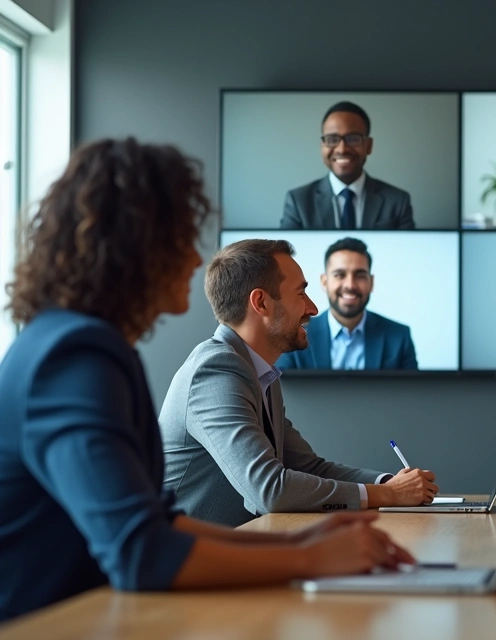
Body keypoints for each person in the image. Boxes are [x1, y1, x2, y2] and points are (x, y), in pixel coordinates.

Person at [0, 138, 413, 623]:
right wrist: (311, 559)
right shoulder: (74, 356)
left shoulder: (90, 346)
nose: (197, 263)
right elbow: (140, 551)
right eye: (181, 239)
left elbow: (159, 524)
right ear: (135, 248)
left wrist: (309, 539)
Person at [160, 239, 438, 527]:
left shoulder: (259, 372)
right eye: (301, 293)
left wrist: (392, 483)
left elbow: (308, 467)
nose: (313, 308)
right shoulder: (216, 370)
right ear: (261, 303)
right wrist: (386, 494)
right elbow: (270, 490)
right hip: (188, 565)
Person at [278, 237, 418, 370]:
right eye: (339, 275)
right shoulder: (294, 333)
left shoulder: (399, 337)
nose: (350, 285)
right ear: (324, 282)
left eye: (360, 275)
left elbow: (413, 393)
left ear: (371, 282)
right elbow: (282, 392)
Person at [281, 101, 416, 230]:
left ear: (368, 145)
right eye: (332, 139)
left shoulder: (397, 201)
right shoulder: (298, 201)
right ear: (322, 145)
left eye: (353, 139)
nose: (342, 149)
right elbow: (285, 253)